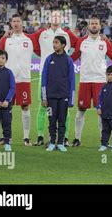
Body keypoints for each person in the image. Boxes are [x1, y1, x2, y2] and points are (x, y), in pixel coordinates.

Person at [70, 16, 112, 147]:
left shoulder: (105, 42)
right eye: (92, 24)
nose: (94, 26)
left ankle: (103, 141)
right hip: (85, 80)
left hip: (100, 81)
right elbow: (74, 57)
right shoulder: (81, 42)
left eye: (96, 24)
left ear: (100, 27)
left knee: (102, 112)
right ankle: (77, 138)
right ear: (88, 27)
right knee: (81, 109)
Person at [31, 17, 79, 147]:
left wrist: (71, 58)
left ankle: (65, 138)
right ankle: (40, 136)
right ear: (49, 18)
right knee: (43, 106)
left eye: (58, 17)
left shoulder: (67, 33)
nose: (56, 19)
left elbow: (80, 44)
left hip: (62, 77)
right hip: (45, 74)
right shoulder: (41, 33)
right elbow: (28, 39)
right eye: (53, 17)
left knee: (65, 110)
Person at [0, 14, 38, 146]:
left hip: (24, 79)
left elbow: (41, 50)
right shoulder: (6, 39)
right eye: (14, 21)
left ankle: (26, 137)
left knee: (25, 107)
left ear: (22, 23)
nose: (16, 24)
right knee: (6, 107)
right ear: (11, 23)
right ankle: (6, 136)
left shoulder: (30, 39)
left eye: (18, 21)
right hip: (8, 80)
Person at [41, 36, 75, 152]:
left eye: (56, 42)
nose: (54, 45)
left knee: (62, 120)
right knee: (51, 120)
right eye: (53, 42)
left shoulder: (68, 60)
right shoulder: (49, 59)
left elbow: (72, 80)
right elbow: (44, 79)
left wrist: (71, 99)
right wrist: (44, 97)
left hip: (64, 96)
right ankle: (51, 142)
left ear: (63, 45)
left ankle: (60, 142)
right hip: (51, 96)